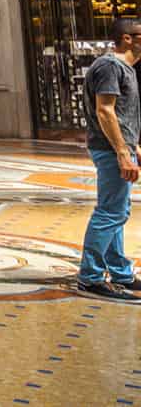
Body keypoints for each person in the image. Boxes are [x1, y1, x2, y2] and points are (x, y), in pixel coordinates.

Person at [79, 17, 141, 302]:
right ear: (127, 38)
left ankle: (120, 272)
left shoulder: (124, 68)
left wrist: (132, 144)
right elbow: (105, 110)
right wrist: (121, 151)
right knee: (110, 212)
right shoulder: (109, 66)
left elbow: (121, 113)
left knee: (117, 210)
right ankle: (90, 277)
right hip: (109, 149)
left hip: (118, 147)